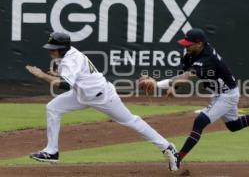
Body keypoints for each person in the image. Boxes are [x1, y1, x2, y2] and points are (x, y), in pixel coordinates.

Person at [139, 28, 249, 169]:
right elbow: (183, 73)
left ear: (199, 43)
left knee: (200, 121)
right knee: (234, 125)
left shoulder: (207, 58)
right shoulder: (191, 54)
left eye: (189, 44)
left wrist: (157, 84)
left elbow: (187, 76)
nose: (185, 47)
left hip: (227, 95)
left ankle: (178, 158)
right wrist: (174, 86)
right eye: (185, 44)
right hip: (219, 93)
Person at [25, 32, 179, 171]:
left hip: (102, 97)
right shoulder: (67, 57)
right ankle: (52, 151)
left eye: (54, 48)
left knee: (131, 121)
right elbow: (74, 76)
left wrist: (42, 76)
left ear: (63, 48)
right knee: (53, 107)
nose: (51, 51)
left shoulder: (70, 60)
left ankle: (167, 147)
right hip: (83, 95)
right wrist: (57, 74)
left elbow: (65, 85)